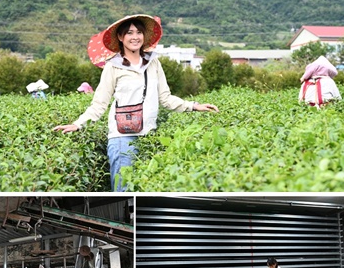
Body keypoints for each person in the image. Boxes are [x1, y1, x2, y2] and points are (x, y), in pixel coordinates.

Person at [52, 14, 219, 192]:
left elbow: (166, 97)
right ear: (120, 37)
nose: (135, 37)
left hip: (148, 138)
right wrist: (78, 124)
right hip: (122, 139)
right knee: (124, 190)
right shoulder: (113, 66)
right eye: (129, 33)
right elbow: (99, 103)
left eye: (139, 32)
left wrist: (194, 105)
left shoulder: (153, 62)